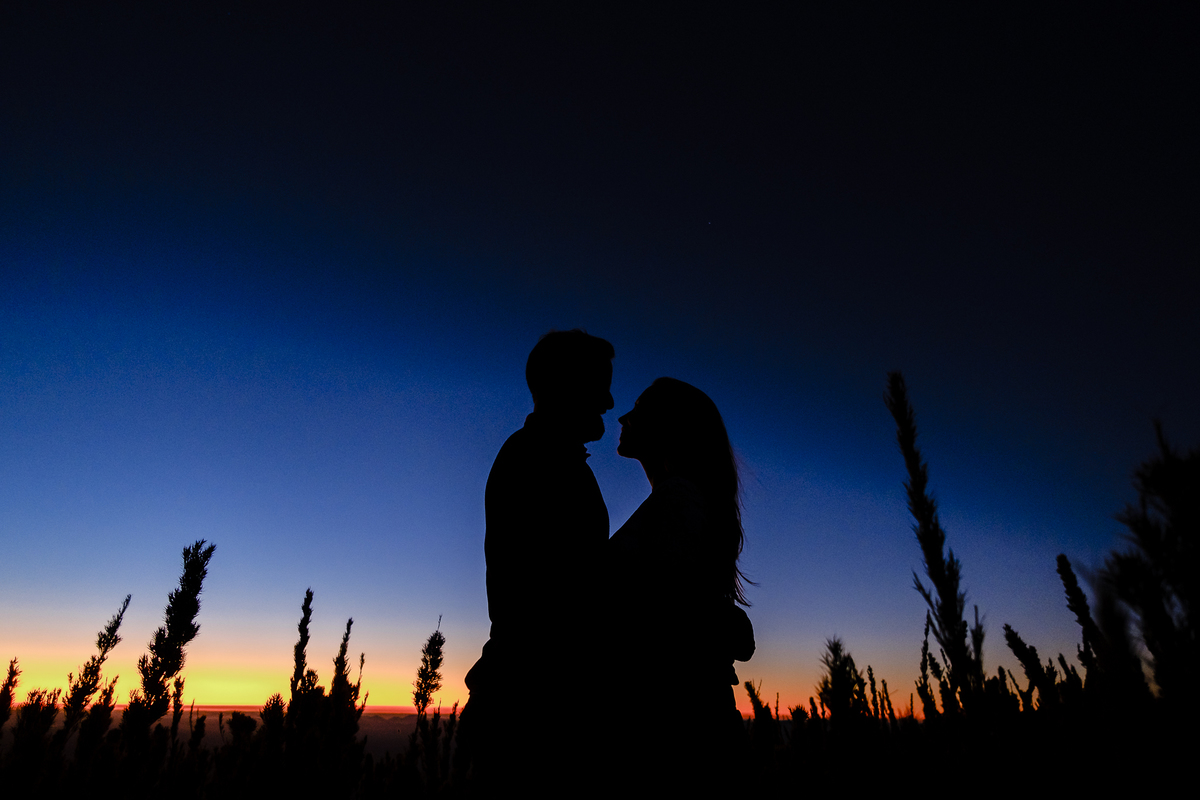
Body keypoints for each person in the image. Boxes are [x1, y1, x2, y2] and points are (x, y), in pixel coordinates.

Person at [459, 329, 615, 789]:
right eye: (600, 386)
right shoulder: (538, 463)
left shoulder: (551, 460)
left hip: (530, 705)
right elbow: (569, 595)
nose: (608, 401)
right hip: (533, 716)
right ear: (567, 387)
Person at [606, 377, 754, 789]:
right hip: (688, 727)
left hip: (676, 737)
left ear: (667, 426)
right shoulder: (680, 499)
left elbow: (666, 610)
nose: (623, 417)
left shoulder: (679, 499)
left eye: (638, 409)